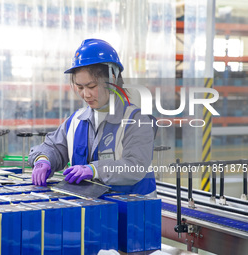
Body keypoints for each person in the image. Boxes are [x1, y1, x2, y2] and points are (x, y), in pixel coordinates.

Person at [29, 38, 157, 196]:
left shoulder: (136, 120)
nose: (85, 94)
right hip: (92, 208)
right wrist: (43, 160)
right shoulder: (76, 121)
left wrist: (94, 170)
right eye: (80, 87)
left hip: (134, 211)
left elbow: (135, 166)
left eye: (91, 86)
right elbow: (53, 147)